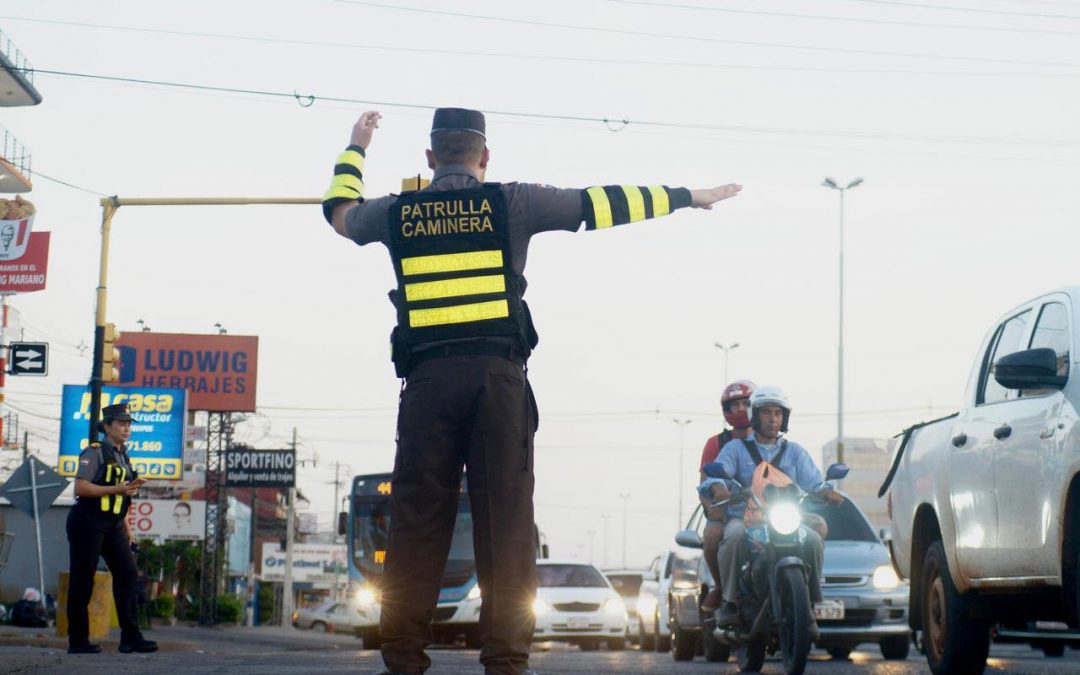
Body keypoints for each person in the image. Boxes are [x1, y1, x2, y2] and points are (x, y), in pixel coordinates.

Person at [322, 107, 741, 675]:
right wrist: (688, 196)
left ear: (430, 158)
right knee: (508, 524)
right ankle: (505, 661)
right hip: (497, 385)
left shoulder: (397, 212)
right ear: (485, 157)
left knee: (416, 523)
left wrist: (357, 146)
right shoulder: (512, 202)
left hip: (427, 386)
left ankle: (403, 659)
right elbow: (598, 203)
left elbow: (340, 213)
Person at [698, 386, 842, 628]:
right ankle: (729, 600)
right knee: (733, 536)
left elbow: (815, 482)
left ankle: (812, 601)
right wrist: (718, 488)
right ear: (754, 416)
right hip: (746, 518)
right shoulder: (735, 449)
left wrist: (826, 491)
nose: (773, 419)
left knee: (814, 539)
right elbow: (714, 476)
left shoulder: (794, 452)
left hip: (786, 518)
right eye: (766, 412)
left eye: (778, 413)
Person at [66, 402, 158, 655]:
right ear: (107, 427)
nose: (126, 428)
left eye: (129, 424)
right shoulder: (94, 452)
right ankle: (78, 641)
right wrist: (117, 488)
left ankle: (131, 637)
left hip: (115, 523)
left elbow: (122, 498)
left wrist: (128, 530)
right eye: (121, 423)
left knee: (128, 574)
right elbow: (81, 488)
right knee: (83, 579)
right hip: (87, 521)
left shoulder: (123, 455)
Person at [697, 380, 756, 611]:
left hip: (766, 511)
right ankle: (722, 587)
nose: (741, 409)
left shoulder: (770, 441)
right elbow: (705, 483)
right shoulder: (717, 443)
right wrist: (713, 508)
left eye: (746, 403)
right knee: (713, 535)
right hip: (729, 511)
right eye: (735, 405)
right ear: (726, 410)